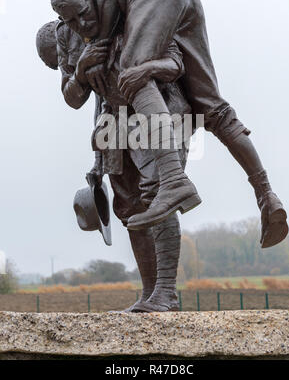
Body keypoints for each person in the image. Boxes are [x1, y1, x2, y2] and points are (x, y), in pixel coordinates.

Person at [50, 0, 288, 248]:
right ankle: (266, 195)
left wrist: (110, 58)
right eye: (70, 21)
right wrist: (84, 68)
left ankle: (174, 180)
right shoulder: (76, 20)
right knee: (213, 108)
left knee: (132, 69)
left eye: (82, 15)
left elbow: (116, 11)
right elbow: (78, 94)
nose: (80, 26)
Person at [36, 20, 192, 312]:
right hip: (115, 123)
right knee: (129, 207)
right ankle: (149, 295)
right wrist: (98, 159)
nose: (62, 65)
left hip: (162, 113)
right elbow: (83, 97)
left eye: (59, 61)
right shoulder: (71, 47)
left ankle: (166, 293)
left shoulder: (126, 18)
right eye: (59, 62)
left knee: (157, 195)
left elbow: (175, 64)